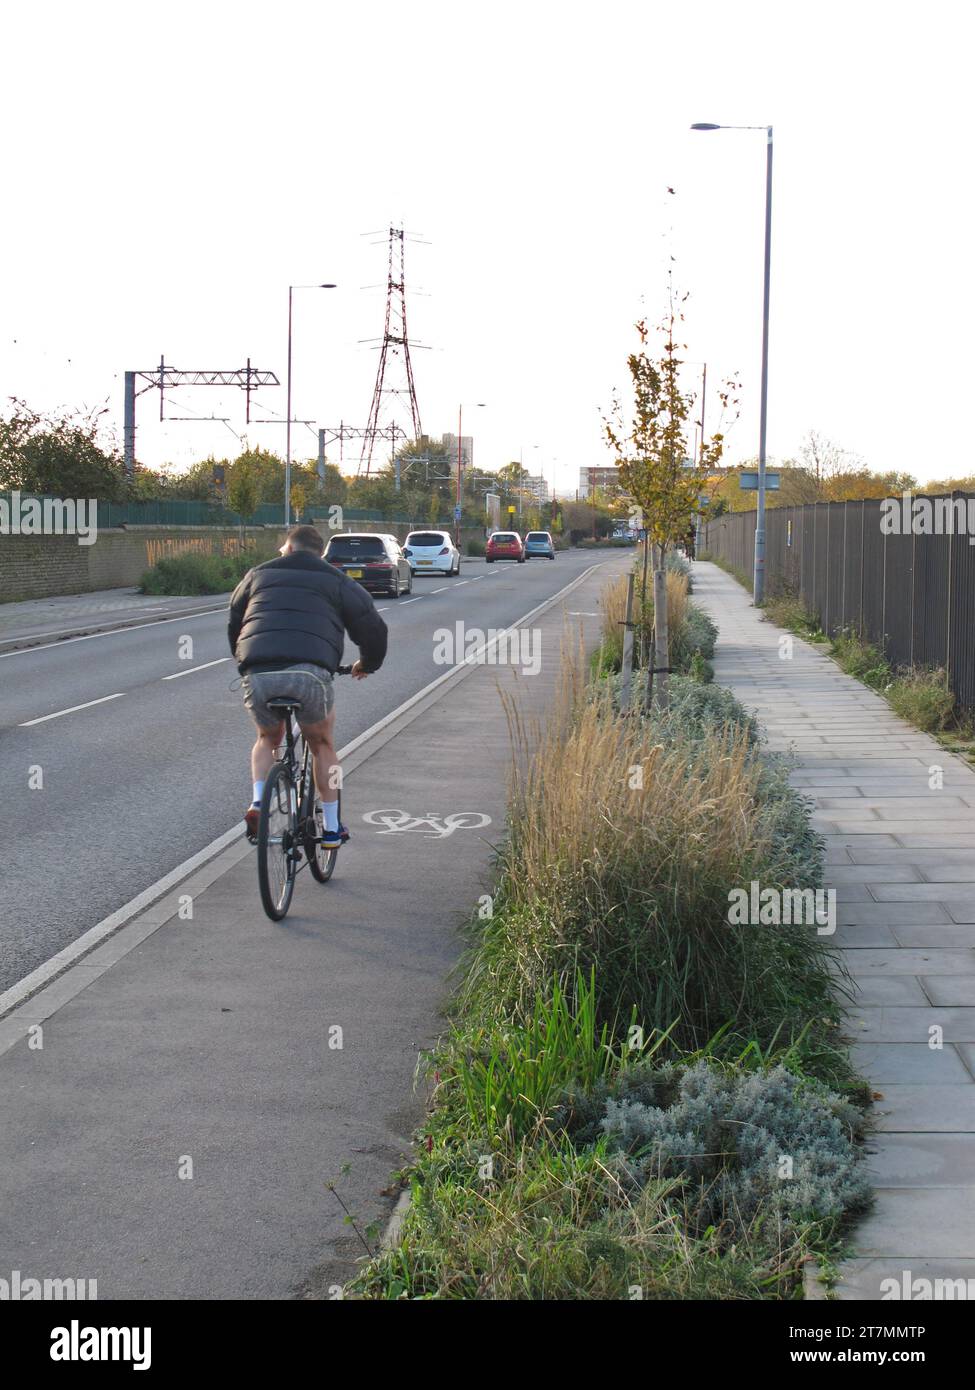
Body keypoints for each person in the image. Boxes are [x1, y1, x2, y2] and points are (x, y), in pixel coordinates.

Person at [228, 524, 388, 848]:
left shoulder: (257, 574)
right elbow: (373, 628)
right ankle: (331, 829)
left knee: (266, 739)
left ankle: (259, 801)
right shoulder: (337, 580)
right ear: (321, 553)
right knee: (322, 745)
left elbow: (235, 619)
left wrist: (246, 661)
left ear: (288, 548)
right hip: (310, 673)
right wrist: (366, 664)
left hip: (258, 669)